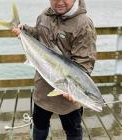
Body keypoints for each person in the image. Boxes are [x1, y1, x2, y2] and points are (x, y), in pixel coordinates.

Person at [12, 0, 96, 140]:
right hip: (42, 87)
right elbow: (39, 35)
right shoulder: (45, 15)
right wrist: (24, 30)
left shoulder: (83, 24)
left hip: (68, 97)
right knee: (39, 124)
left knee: (73, 130)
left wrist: (75, 88)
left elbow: (84, 63)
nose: (60, 2)